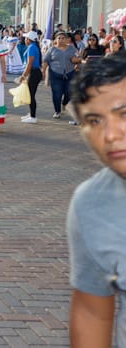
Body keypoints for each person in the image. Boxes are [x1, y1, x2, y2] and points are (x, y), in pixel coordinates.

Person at [66, 54, 126, 345]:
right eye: (94, 120)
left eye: (124, 113)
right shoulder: (92, 204)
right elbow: (93, 312)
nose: (111, 135)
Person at [43, 31, 82, 121]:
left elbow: (77, 58)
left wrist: (78, 61)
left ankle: (64, 103)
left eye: (63, 38)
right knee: (57, 94)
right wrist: (43, 71)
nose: (61, 40)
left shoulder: (71, 49)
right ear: (56, 40)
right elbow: (46, 61)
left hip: (70, 74)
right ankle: (57, 111)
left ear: (67, 39)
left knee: (69, 93)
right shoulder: (52, 49)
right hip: (55, 75)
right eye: (59, 38)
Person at [19, 31, 43, 124]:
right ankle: (31, 114)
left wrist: (24, 75)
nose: (25, 40)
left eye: (26, 38)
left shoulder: (31, 47)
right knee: (30, 94)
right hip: (34, 72)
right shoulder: (33, 47)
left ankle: (33, 116)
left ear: (29, 39)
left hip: (34, 72)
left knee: (30, 95)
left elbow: (30, 63)